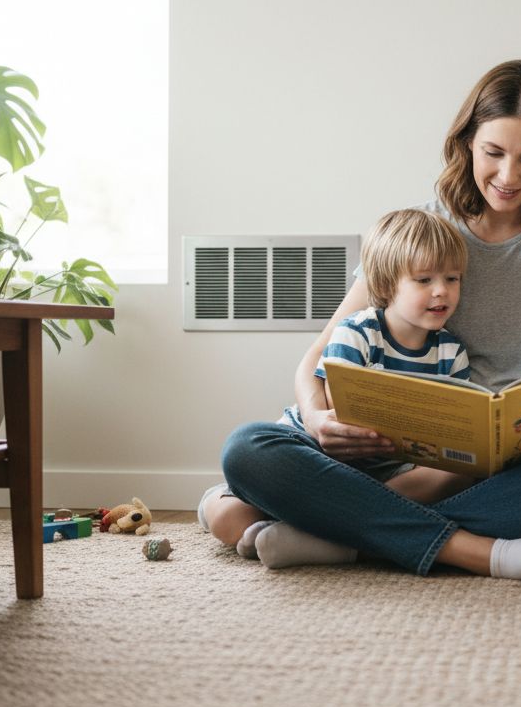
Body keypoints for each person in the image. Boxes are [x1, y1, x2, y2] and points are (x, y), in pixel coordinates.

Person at [215, 59, 521, 588]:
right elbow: (317, 360)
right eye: (493, 153)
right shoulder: (419, 234)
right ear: (466, 143)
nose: (508, 177)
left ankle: (341, 529)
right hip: (388, 459)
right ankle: (481, 552)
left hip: (501, 470)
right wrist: (317, 419)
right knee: (248, 448)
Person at [199, 208, 477, 560]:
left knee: (453, 473)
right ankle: (339, 527)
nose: (442, 291)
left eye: (452, 279)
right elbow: (340, 406)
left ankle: (322, 529)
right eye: (424, 280)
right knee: (227, 515)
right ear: (387, 284)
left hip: (389, 469)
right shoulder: (358, 330)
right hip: (322, 452)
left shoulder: (451, 352)